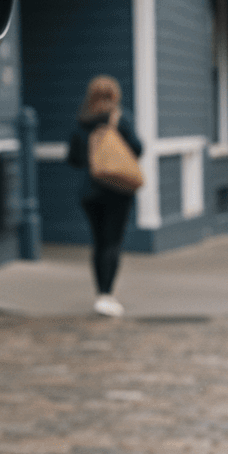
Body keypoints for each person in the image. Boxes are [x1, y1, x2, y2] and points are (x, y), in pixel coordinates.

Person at [67, 75, 143, 317]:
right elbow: (138, 148)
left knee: (98, 243)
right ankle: (107, 295)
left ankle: (100, 293)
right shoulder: (121, 119)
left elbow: (74, 158)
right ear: (115, 95)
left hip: (90, 191)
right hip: (118, 190)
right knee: (113, 242)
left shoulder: (82, 121)